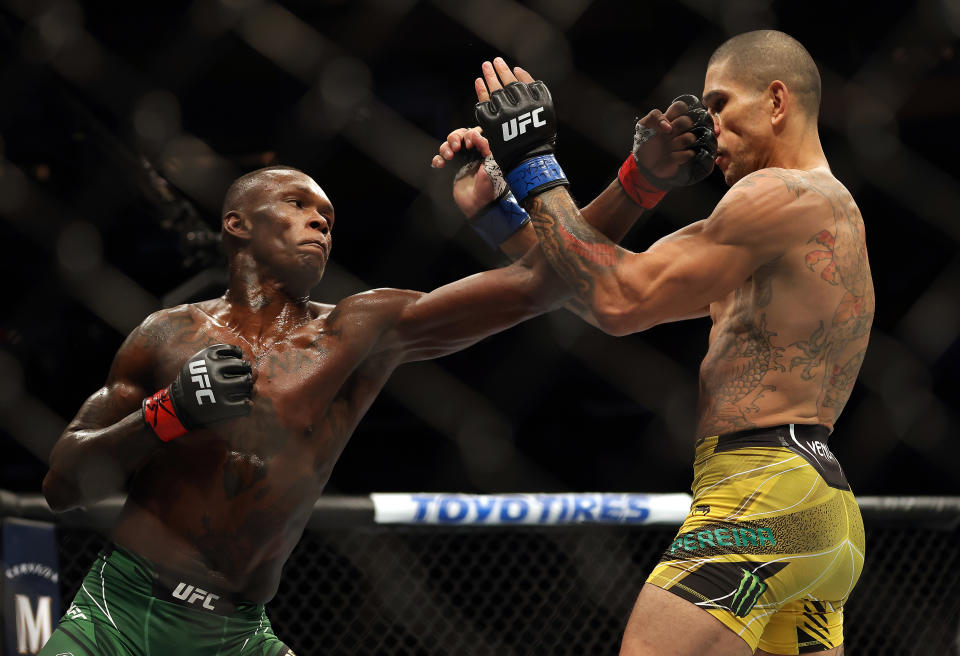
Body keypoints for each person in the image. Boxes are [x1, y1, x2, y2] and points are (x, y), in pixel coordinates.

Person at [38, 87, 711, 655]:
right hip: (114, 615)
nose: (319, 225)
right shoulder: (165, 334)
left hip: (235, 635)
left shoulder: (357, 330)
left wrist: (639, 178)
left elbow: (541, 281)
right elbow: (63, 481)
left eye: (327, 219)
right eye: (298, 206)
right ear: (237, 224)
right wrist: (169, 414)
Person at [458, 30, 871, 656]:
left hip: (759, 494)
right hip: (820, 508)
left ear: (777, 101)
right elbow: (608, 284)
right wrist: (504, 219)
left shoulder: (774, 194)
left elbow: (620, 301)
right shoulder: (813, 212)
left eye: (721, 105)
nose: (709, 128)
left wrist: (533, 161)